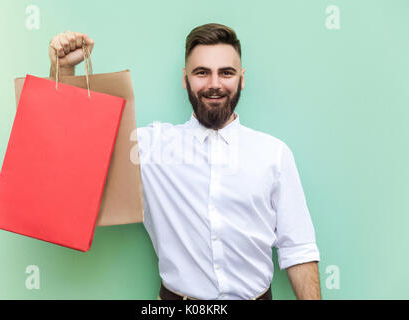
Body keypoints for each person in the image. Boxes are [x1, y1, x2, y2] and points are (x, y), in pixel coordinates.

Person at [48, 24, 321, 300]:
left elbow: (298, 249)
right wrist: (65, 71)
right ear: (185, 79)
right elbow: (74, 154)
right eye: (202, 72)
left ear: (241, 79)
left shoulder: (274, 154)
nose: (214, 83)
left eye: (226, 72)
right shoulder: (147, 147)